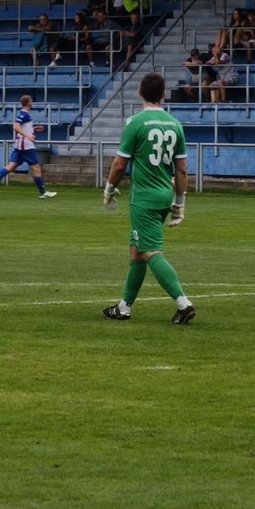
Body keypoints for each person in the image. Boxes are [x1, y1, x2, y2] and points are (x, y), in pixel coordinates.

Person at [101, 70, 195, 325]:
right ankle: (124, 307)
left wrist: (109, 189)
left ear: (140, 92)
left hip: (144, 199)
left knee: (151, 251)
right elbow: (182, 169)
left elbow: (120, 164)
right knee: (137, 250)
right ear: (164, 95)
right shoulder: (175, 125)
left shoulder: (136, 123)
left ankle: (183, 303)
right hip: (165, 195)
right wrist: (180, 204)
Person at [0, 94, 55, 198]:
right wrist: (28, 135)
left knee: (10, 167)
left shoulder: (24, 114)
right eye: (31, 101)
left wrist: (33, 128)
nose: (32, 103)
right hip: (26, 146)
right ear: (28, 103)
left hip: (20, 145)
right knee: (36, 169)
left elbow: (22, 126)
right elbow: (16, 126)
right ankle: (43, 193)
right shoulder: (24, 114)